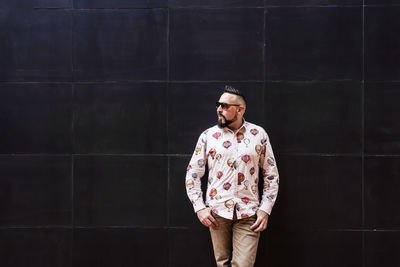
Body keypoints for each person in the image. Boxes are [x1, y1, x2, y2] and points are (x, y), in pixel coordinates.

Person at [185, 85, 279, 267]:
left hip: (249, 213)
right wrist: (200, 208)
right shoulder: (208, 136)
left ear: (240, 109)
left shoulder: (258, 135)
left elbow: (271, 174)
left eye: (225, 106)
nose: (219, 109)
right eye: (218, 105)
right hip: (216, 212)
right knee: (222, 264)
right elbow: (193, 173)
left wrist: (265, 209)